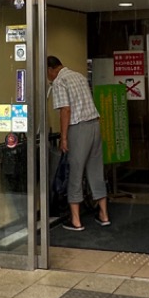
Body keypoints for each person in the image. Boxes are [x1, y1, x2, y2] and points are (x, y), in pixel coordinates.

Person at [47, 55, 110, 230]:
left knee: (75, 171)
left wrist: (64, 138)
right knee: (96, 170)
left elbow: (65, 110)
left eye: (47, 74)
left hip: (79, 128)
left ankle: (75, 220)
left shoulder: (60, 81)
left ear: (51, 70)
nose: (48, 78)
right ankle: (104, 214)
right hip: (95, 125)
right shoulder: (79, 76)